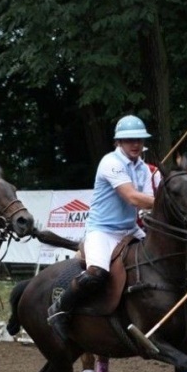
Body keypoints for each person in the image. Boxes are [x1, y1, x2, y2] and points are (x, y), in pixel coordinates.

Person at [47, 114, 155, 339]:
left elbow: (148, 202)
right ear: (119, 142)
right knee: (97, 273)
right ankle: (59, 310)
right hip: (102, 231)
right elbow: (133, 198)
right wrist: (166, 202)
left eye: (139, 140)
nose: (136, 144)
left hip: (129, 230)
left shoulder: (143, 168)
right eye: (130, 140)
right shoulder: (110, 163)